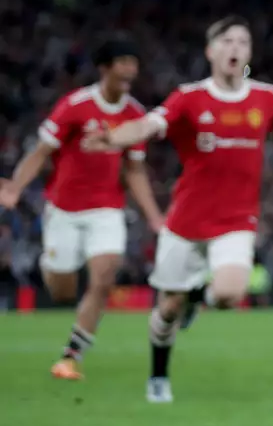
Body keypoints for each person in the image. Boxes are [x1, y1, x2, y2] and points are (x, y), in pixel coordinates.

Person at [83, 16, 273, 403]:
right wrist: (112, 137)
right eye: (226, 41)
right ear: (210, 51)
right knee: (166, 311)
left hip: (236, 220)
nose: (235, 48)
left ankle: (199, 298)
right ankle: (159, 374)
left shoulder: (266, 97)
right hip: (186, 220)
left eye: (242, 42)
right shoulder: (189, 97)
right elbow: (146, 126)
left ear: (249, 54)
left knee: (229, 294)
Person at [0, 38, 166, 381]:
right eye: (122, 61)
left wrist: (153, 216)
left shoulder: (134, 114)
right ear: (104, 68)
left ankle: (71, 356)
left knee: (104, 275)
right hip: (64, 209)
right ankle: (50, 262)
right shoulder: (75, 106)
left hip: (107, 209)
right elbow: (41, 152)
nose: (130, 70)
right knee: (62, 289)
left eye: (133, 63)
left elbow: (133, 169)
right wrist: (16, 187)